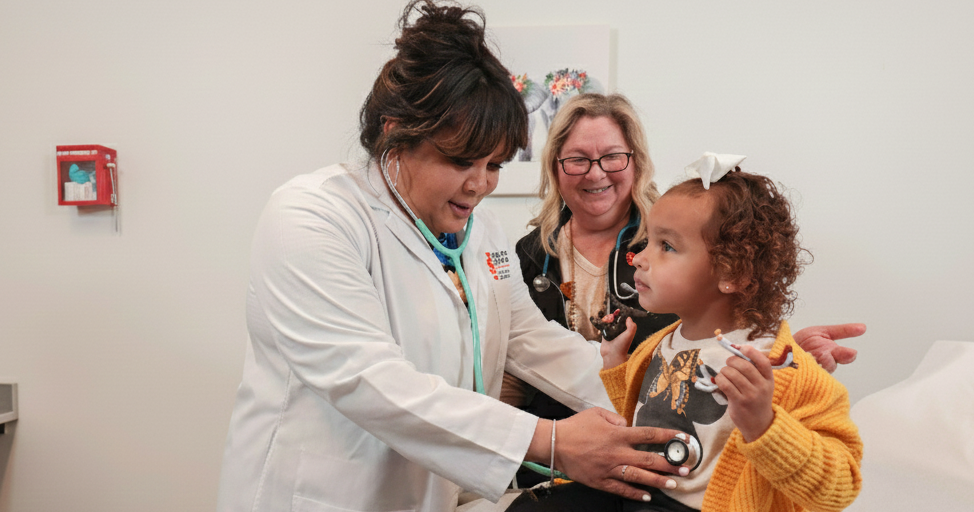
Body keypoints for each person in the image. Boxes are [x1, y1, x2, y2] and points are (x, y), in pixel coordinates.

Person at [216, 3, 690, 511]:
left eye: (495, 164)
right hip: (320, 496)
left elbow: (530, 339)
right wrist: (551, 442)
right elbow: (368, 380)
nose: (480, 184)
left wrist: (667, 398)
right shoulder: (312, 217)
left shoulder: (479, 231)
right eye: (462, 160)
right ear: (395, 133)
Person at [504, 93, 863, 487]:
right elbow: (520, 361)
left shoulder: (692, 230)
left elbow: (728, 331)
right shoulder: (528, 254)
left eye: (612, 157)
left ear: (636, 162)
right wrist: (508, 442)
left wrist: (786, 359)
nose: (596, 173)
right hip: (557, 457)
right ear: (554, 167)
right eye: (577, 159)